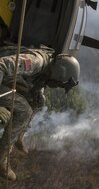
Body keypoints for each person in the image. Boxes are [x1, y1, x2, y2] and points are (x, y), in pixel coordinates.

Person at [0, 45, 80, 181]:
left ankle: (18, 133)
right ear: (59, 73)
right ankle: (1, 156)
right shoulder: (35, 62)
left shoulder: (48, 68)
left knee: (39, 100)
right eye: (58, 83)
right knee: (24, 111)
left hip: (7, 79)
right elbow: (1, 65)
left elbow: (37, 87)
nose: (56, 86)